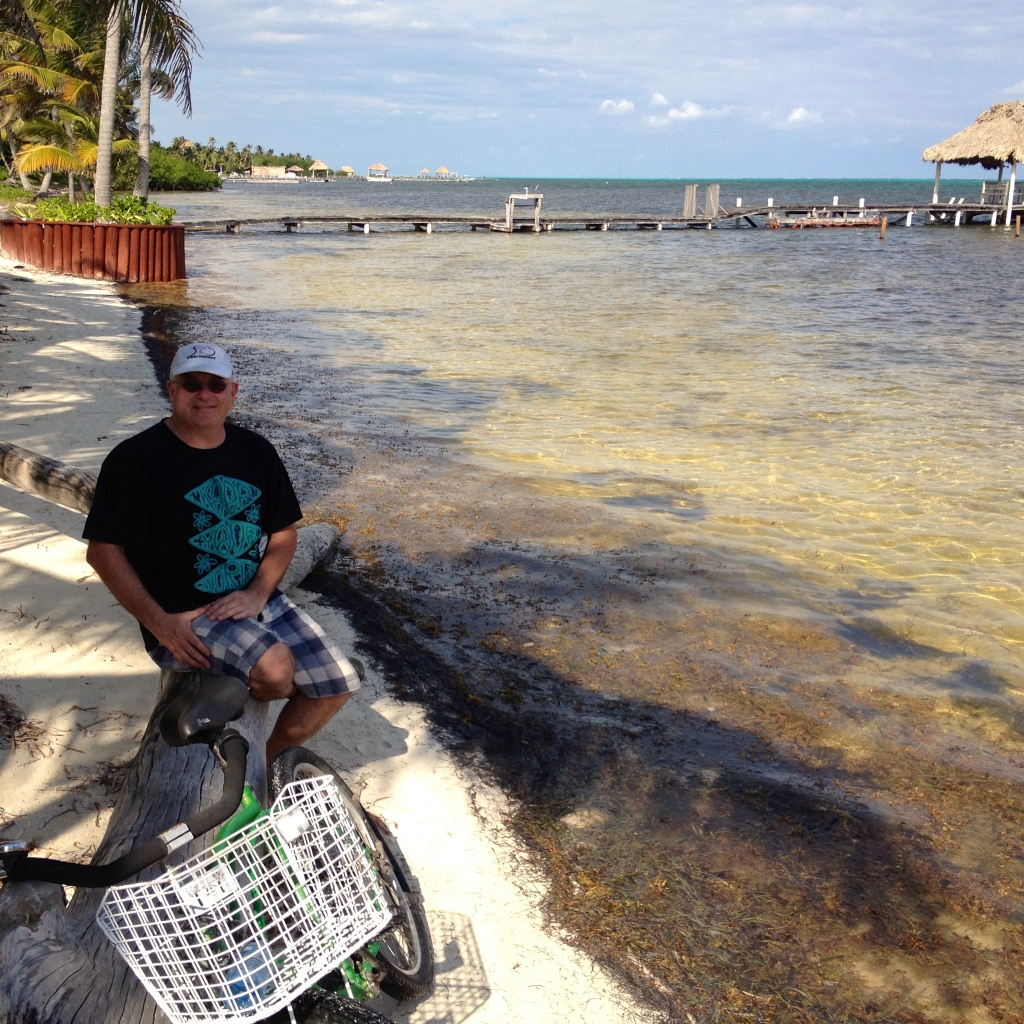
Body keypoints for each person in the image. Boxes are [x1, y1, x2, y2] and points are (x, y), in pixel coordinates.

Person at [83, 342, 359, 761]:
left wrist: (258, 593)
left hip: (252, 600)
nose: (204, 394)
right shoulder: (135, 459)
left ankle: (263, 763)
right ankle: (211, 695)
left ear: (234, 392)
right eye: (191, 384)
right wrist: (160, 623)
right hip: (184, 618)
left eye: (215, 384)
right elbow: (103, 552)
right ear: (171, 390)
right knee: (278, 675)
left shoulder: (255, 451)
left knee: (337, 684)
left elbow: (284, 533)